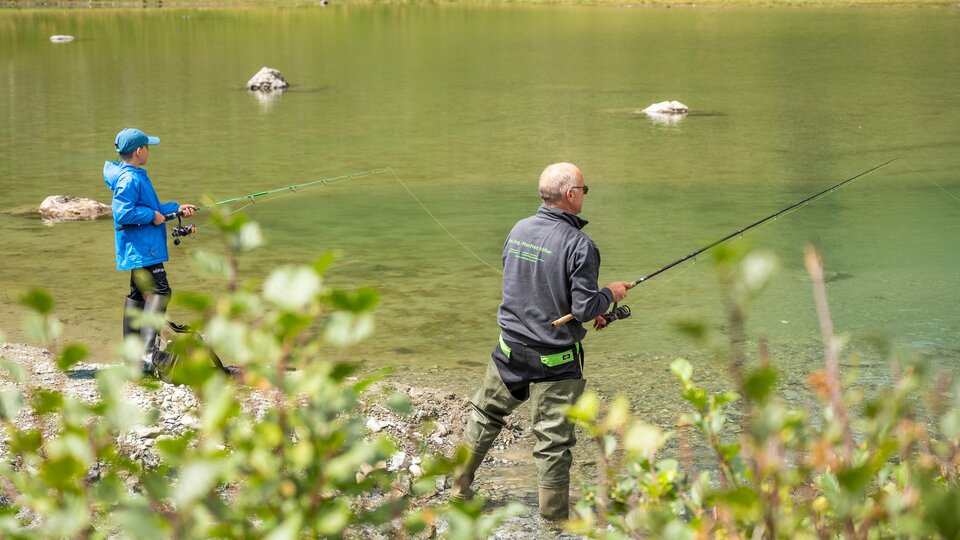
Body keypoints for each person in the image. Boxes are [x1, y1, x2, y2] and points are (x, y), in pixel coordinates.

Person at [452, 162, 633, 520]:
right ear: (570, 195)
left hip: (508, 350)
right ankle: (553, 521)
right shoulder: (581, 245)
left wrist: (586, 306)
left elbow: (527, 284)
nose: (584, 194)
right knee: (553, 444)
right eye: (584, 189)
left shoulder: (519, 229)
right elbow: (582, 309)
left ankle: (458, 491)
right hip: (555, 362)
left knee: (484, 415)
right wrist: (609, 295)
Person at [103, 128, 195, 376]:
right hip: (143, 248)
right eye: (147, 147)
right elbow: (123, 213)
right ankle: (145, 355)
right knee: (161, 292)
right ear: (138, 151)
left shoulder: (134, 174)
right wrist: (151, 215)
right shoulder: (129, 179)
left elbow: (152, 209)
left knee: (137, 295)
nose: (149, 151)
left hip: (141, 248)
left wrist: (175, 209)